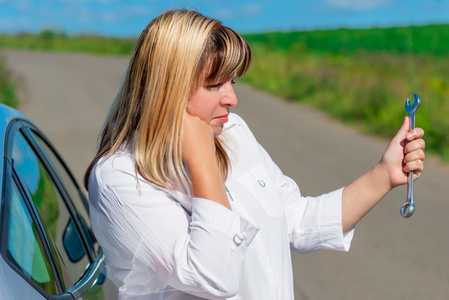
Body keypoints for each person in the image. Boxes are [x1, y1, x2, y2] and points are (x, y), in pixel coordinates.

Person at [84, 9, 425, 300]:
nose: (231, 99)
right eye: (215, 85)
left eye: (233, 82)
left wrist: (384, 174)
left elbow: (297, 221)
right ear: (166, 88)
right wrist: (202, 159)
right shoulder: (120, 178)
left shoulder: (233, 133)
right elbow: (212, 277)